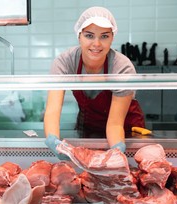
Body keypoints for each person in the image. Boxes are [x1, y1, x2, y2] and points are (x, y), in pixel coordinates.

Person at [44, 6, 144, 158]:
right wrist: (54, 141)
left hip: (125, 132)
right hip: (88, 130)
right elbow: (52, 111)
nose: (96, 44)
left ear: (112, 37)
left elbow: (115, 124)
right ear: (79, 36)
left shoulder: (122, 67)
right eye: (89, 36)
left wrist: (117, 151)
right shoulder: (65, 62)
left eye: (104, 36)